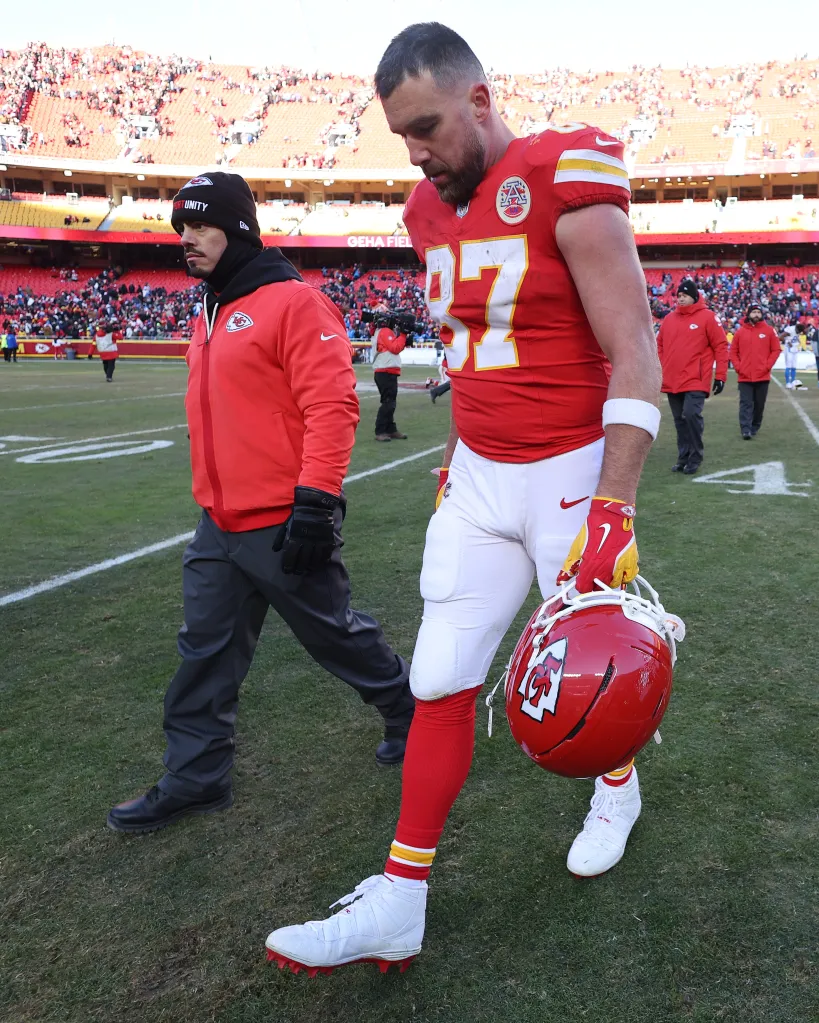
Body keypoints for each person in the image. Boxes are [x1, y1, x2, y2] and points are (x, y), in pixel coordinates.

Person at [266, 23, 663, 971]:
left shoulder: (561, 176)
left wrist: (613, 508)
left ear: (479, 100)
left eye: (428, 125)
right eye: (400, 133)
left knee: (586, 669)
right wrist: (454, 456)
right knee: (438, 675)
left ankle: (617, 783)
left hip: (570, 470)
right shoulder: (423, 209)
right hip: (480, 473)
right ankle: (400, 902)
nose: (415, 150)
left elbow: (636, 350)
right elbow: (474, 355)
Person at [108, 172, 414, 835]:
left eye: (198, 226)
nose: (184, 239)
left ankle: (408, 712)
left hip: (283, 521)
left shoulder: (293, 302)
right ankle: (196, 776)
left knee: (333, 633)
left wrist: (314, 503)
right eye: (178, 228)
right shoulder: (211, 307)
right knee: (204, 654)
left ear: (238, 228)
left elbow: (331, 406)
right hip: (216, 524)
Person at [657, 279, 728, 475]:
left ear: (694, 297)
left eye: (685, 295)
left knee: (690, 414)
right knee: (679, 420)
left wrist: (720, 375)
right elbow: (660, 345)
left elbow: (720, 346)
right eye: (678, 295)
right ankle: (683, 456)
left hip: (696, 379)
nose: (680, 298)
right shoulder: (669, 319)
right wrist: (662, 367)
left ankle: (695, 456)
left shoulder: (708, 317)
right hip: (672, 379)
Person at [730, 305, 781, 439]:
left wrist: (767, 366)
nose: (756, 314)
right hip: (744, 376)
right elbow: (733, 352)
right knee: (745, 403)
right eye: (754, 312)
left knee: (759, 404)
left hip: (762, 375)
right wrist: (738, 367)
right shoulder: (740, 332)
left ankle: (754, 426)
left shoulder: (769, 331)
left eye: (758, 312)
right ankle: (745, 429)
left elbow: (776, 350)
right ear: (748, 314)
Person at [372, 314, 408, 441]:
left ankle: (390, 429)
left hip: (385, 370)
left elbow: (393, 347)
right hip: (385, 370)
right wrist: (403, 335)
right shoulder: (385, 331)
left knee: (390, 402)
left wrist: (402, 338)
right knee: (388, 402)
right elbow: (395, 348)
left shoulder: (379, 332)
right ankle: (380, 430)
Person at [782, 323, 804, 389]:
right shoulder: (790, 329)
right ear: (796, 328)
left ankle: (793, 382)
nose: (798, 332)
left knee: (794, 366)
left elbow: (796, 337)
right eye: (798, 331)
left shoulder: (799, 330)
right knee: (788, 366)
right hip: (788, 349)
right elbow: (780, 337)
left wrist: (799, 343)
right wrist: (787, 342)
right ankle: (788, 382)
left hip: (795, 349)